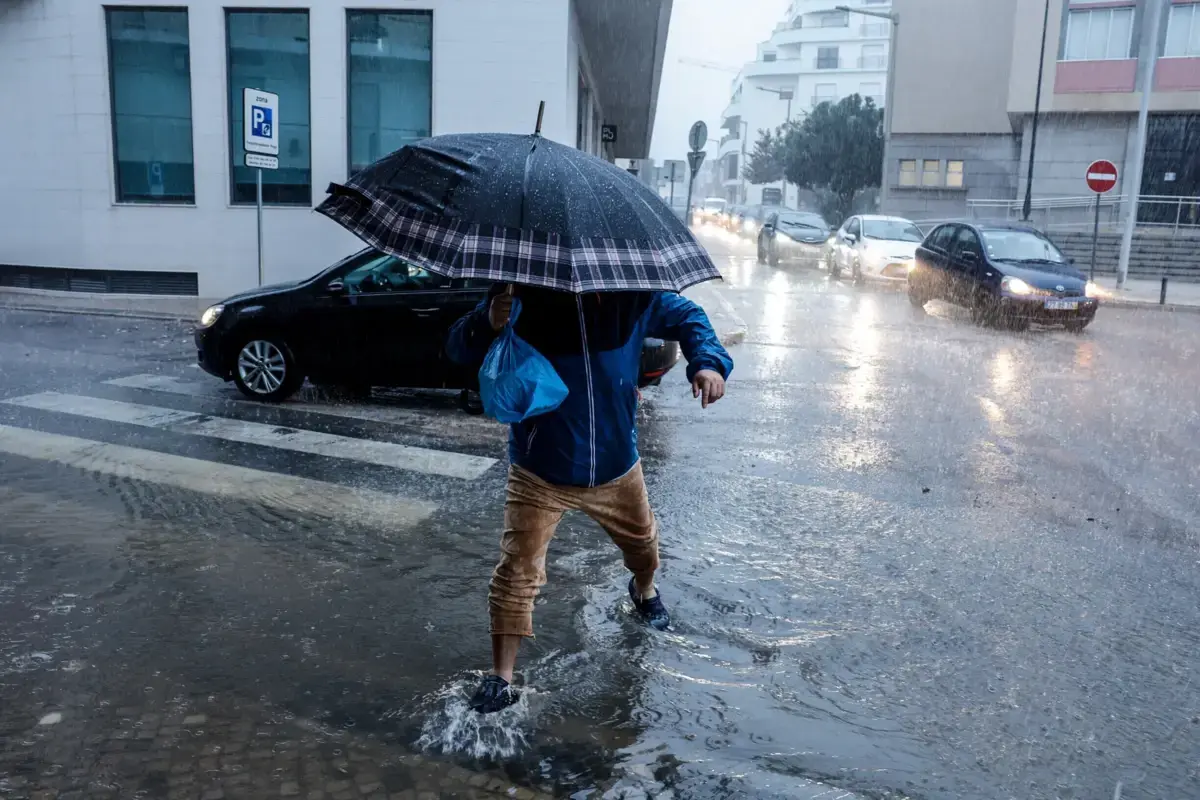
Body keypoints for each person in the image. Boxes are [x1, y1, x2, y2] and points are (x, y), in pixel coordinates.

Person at [446, 284, 733, 714]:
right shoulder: (518, 291)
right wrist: (487, 321)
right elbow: (457, 349)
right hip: (539, 466)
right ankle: (501, 678)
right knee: (516, 572)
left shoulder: (632, 295)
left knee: (643, 546)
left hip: (617, 463)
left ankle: (644, 588)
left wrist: (708, 363)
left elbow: (689, 315)